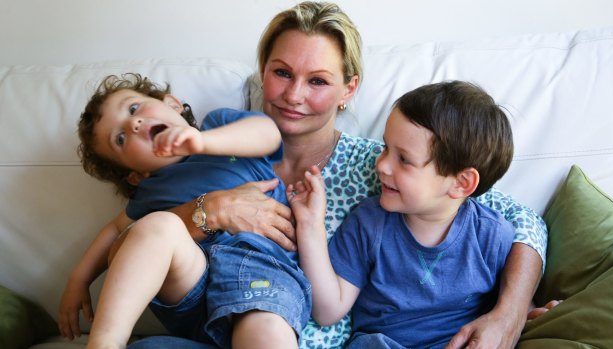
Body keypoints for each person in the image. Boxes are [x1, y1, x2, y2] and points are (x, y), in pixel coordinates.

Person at [128, 2, 550, 348]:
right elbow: (131, 248)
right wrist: (209, 210)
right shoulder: (209, 152)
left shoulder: (383, 168)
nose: (294, 95)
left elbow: (525, 224)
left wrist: (509, 314)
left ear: (348, 89)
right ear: (263, 71)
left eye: (318, 81)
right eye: (281, 73)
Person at [59, 73, 311, 349]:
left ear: (173, 104)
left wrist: (203, 142)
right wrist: (79, 279)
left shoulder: (220, 128)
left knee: (265, 332)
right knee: (157, 227)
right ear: (136, 175)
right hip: (195, 290)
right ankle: (105, 342)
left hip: (262, 272)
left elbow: (267, 134)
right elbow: (116, 230)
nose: (133, 124)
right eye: (119, 138)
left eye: (134, 108)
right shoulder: (151, 191)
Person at [289, 81, 517, 348]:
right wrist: (310, 225)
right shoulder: (369, 223)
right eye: (386, 148)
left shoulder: (491, 235)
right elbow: (328, 311)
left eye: (404, 159)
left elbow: (509, 305)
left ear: (461, 183)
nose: (382, 164)